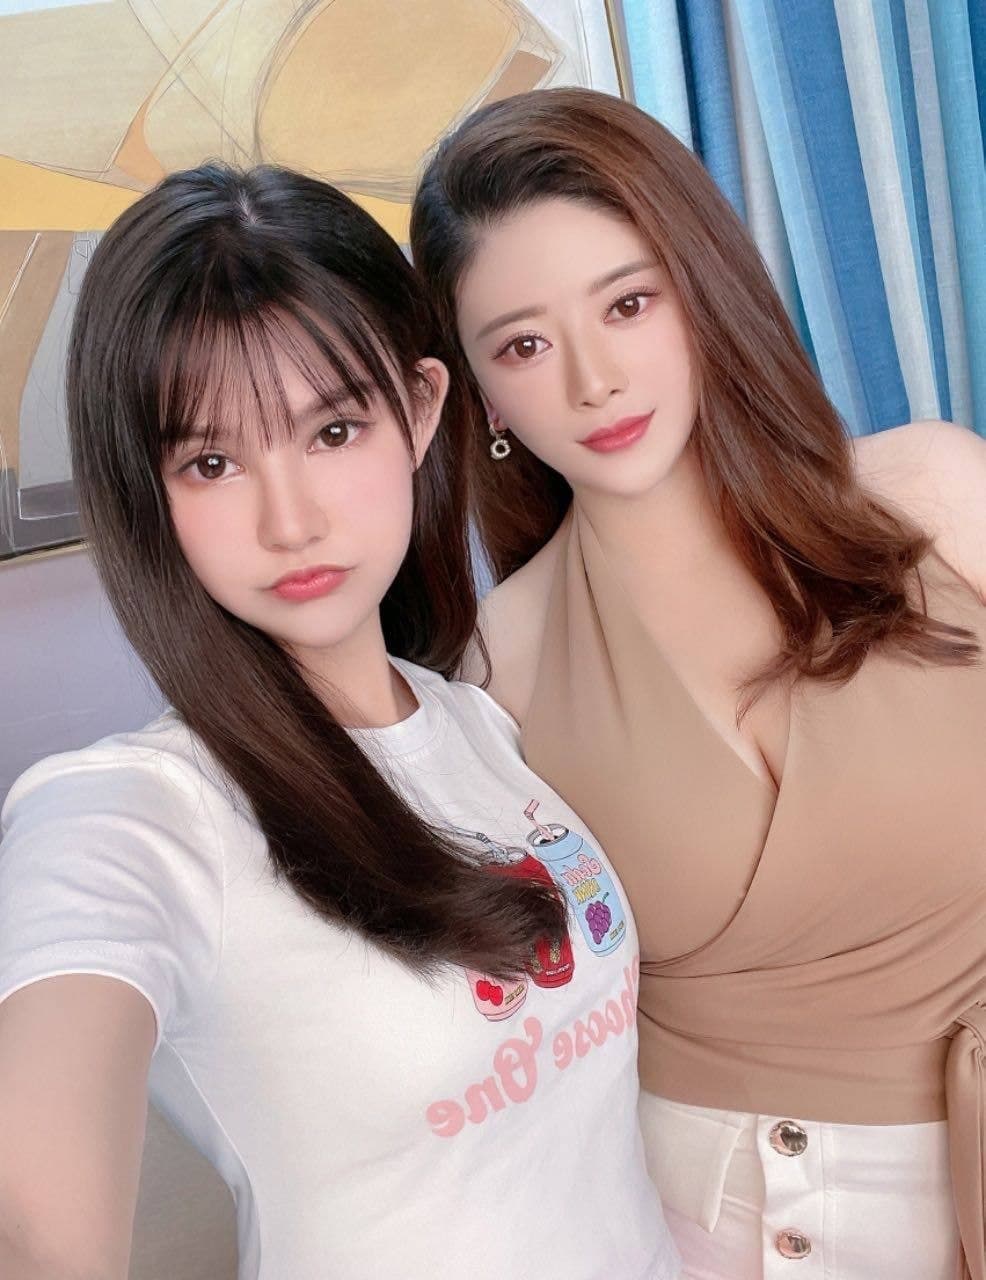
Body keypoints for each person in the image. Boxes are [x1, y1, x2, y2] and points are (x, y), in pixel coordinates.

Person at [0, 163, 679, 1280]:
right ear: (143, 489)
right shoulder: (133, 811)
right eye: (212, 461)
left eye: (332, 430)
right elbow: (38, 1227)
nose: (291, 519)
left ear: (419, 409)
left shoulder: (480, 721)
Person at [410, 86, 986, 1279]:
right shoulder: (496, 668)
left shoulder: (932, 496)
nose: (593, 380)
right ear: (480, 394)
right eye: (522, 344)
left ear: (702, 288)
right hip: (713, 1213)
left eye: (627, 302)